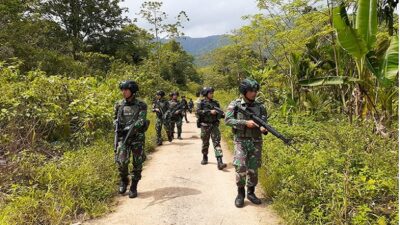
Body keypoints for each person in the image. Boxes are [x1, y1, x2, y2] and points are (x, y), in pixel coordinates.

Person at [224, 78, 268, 208]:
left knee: (253, 168)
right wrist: (244, 123)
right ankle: (240, 194)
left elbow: (264, 121)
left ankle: (251, 192)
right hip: (241, 141)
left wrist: (262, 127)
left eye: (255, 90)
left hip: (256, 141)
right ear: (244, 91)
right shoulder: (235, 104)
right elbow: (228, 120)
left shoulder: (260, 106)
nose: (254, 93)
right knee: (241, 166)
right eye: (251, 91)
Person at [114, 80, 149, 198]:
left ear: (132, 91)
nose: (123, 92)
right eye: (122, 90)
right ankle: (124, 180)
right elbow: (115, 119)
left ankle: (134, 186)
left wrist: (131, 127)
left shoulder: (141, 105)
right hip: (123, 137)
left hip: (137, 137)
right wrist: (116, 125)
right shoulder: (119, 104)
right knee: (122, 161)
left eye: (126, 90)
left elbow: (141, 120)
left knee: (137, 163)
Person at [197, 87, 227, 170]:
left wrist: (223, 114)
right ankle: (205, 156)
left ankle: (220, 161)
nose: (212, 94)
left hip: (214, 125)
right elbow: (198, 112)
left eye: (212, 93)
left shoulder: (215, 103)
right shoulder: (201, 103)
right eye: (210, 93)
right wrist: (209, 112)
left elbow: (220, 114)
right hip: (205, 125)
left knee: (217, 142)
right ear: (206, 94)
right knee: (205, 142)